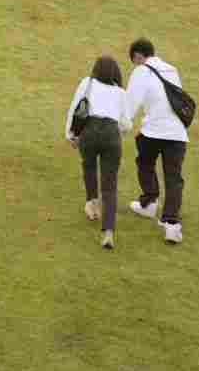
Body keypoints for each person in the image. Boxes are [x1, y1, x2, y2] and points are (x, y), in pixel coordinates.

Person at [65, 55, 132, 249]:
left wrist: (70, 135)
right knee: (110, 185)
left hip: (89, 131)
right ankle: (108, 232)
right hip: (111, 134)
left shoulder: (87, 83)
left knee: (89, 166)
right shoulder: (120, 92)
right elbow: (126, 124)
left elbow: (75, 108)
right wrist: (117, 130)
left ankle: (92, 203)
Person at [126, 37, 188, 244]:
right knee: (173, 178)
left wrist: (122, 125)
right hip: (178, 134)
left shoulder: (141, 71)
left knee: (144, 162)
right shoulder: (172, 70)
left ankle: (149, 202)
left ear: (138, 56)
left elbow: (130, 104)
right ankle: (171, 224)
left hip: (154, 131)